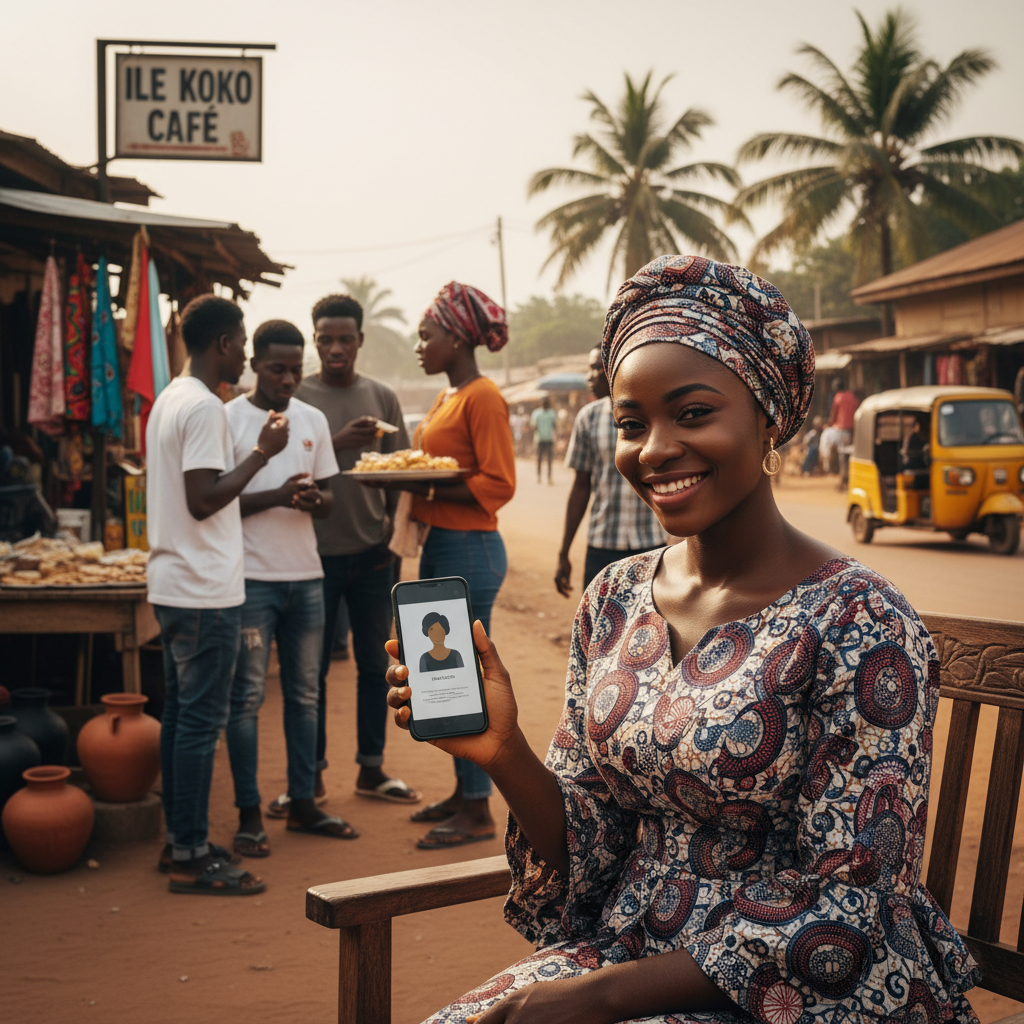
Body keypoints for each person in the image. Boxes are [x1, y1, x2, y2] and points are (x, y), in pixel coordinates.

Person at [385, 256, 980, 1024]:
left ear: (770, 413)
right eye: (631, 424)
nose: (654, 449)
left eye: (692, 413)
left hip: (807, 986)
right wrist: (502, 750)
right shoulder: (615, 599)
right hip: (627, 948)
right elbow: (592, 844)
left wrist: (599, 997)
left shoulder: (859, 621)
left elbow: (851, 900)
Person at [147, 294, 289, 896]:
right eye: (240, 343)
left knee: (181, 718)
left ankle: (179, 840)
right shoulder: (204, 406)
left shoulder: (169, 399)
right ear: (225, 344)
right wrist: (263, 454)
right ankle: (193, 854)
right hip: (204, 590)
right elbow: (203, 498)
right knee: (199, 724)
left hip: (176, 583)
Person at [373, 281, 515, 849]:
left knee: (457, 677)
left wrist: (426, 481)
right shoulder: (446, 397)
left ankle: (478, 808)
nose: (419, 346)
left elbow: (498, 484)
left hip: (470, 548)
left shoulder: (482, 396)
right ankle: (464, 791)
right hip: (444, 545)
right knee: (441, 677)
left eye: (426, 336)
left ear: (456, 338)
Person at [224, 319, 358, 856]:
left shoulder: (312, 419)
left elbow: (328, 496)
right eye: (276, 369)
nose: (287, 378)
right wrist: (277, 495)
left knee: (306, 696)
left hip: (305, 577)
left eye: (294, 369)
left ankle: (303, 802)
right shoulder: (229, 419)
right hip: (252, 581)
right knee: (247, 699)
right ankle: (249, 814)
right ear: (254, 365)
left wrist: (310, 501)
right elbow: (215, 502)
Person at [287, 293, 420, 824]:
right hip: (309, 558)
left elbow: (405, 468)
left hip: (369, 555)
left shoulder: (382, 397)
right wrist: (338, 441)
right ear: (315, 340)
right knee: (309, 673)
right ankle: (309, 777)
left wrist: (390, 529)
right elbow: (282, 466)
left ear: (360, 341)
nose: (335, 348)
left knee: (374, 666)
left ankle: (371, 768)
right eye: (326, 339)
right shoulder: (295, 395)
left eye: (345, 339)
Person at [555, 346, 665, 597]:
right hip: (602, 545)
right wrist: (564, 552)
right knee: (597, 629)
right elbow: (581, 486)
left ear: (615, 369)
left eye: (595, 368)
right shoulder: (588, 418)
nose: (589, 376)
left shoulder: (653, 414)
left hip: (650, 544)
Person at [827, 376, 859, 485]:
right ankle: (850, 477)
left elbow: (833, 415)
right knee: (850, 454)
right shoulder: (852, 396)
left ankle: (843, 478)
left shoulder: (838, 397)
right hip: (853, 430)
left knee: (841, 454)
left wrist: (830, 424)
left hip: (841, 430)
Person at [531, 396, 557, 484]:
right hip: (540, 439)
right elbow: (534, 426)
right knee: (539, 459)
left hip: (549, 439)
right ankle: (539, 476)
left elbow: (554, 425)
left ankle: (549, 477)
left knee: (549, 459)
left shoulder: (552, 413)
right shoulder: (537, 413)